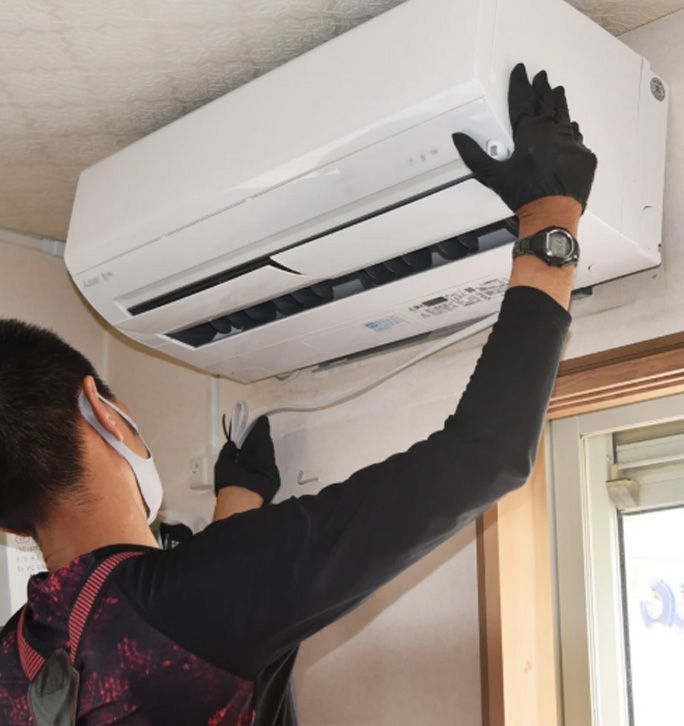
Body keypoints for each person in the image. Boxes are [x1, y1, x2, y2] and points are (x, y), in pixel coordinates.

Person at [0, 63, 596, 725]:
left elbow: (188, 626)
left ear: (5, 522)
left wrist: (240, 500)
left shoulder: (17, 659)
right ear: (103, 412)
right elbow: (487, 457)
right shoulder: (198, 597)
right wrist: (550, 218)